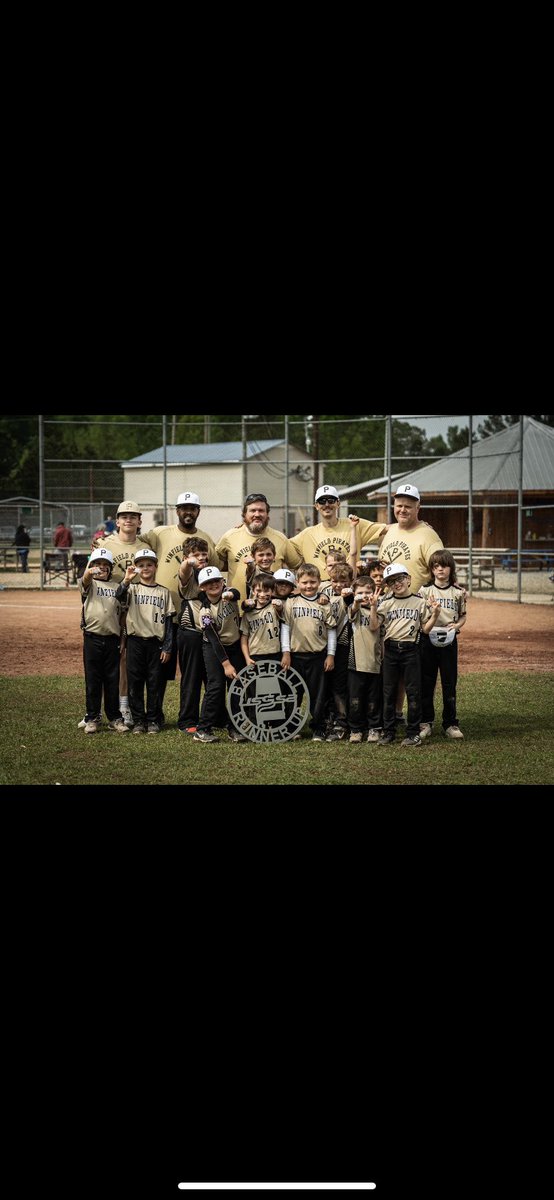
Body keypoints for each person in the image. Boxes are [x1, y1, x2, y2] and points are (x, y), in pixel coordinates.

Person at [140, 492, 220, 727]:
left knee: (200, 672)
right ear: (177, 510)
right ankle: (156, 716)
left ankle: (209, 716)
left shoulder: (205, 538)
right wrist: (102, 542)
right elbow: (133, 539)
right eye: (184, 507)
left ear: (198, 511)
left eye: (192, 508)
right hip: (166, 615)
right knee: (161, 671)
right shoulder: (160, 533)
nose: (188, 512)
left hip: (198, 622)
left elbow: (216, 565)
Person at [378, 483, 445, 727]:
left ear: (419, 507)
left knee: (416, 672)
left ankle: (422, 718)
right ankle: (394, 713)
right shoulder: (390, 531)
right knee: (391, 669)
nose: (402, 509)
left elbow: (441, 567)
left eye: (408, 505)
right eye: (399, 505)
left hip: (415, 613)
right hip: (389, 611)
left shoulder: (428, 535)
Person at [86, 500, 152, 728]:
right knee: (102, 663)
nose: (129, 520)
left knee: (123, 656)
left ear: (139, 521)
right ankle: (92, 712)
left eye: (133, 516)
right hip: (109, 606)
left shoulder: (145, 545)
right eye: (124, 516)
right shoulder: (105, 543)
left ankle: (123, 705)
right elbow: (91, 570)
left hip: (134, 605)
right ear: (117, 521)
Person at [369, 562, 440, 747]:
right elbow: (374, 626)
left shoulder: (419, 602)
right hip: (391, 650)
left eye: (400, 579)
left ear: (408, 579)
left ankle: (413, 733)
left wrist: (435, 615)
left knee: (413, 692)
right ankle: (389, 731)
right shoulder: (386, 603)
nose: (396, 583)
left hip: (411, 650)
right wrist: (374, 608)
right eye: (391, 581)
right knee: (389, 692)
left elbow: (425, 630)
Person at [114, 548, 176, 734]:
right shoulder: (131, 588)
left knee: (154, 682)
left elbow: (168, 622)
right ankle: (139, 720)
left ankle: (153, 720)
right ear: (136, 568)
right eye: (141, 565)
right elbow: (118, 594)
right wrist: (127, 578)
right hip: (135, 641)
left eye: (149, 564)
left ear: (156, 567)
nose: (145, 568)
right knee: (135, 682)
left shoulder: (164, 592)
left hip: (155, 644)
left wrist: (167, 646)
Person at [279, 562, 337, 742]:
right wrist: (286, 652)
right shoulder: (291, 602)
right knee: (292, 693)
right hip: (295, 656)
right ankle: (292, 727)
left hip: (317, 655)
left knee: (317, 695)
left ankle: (318, 727)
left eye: (312, 582)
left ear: (319, 581)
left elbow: (331, 630)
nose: (308, 586)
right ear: (297, 582)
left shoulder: (324, 603)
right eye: (304, 582)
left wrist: (330, 654)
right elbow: (286, 628)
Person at [215, 493, 302, 607]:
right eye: (252, 510)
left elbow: (299, 566)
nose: (257, 514)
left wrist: (298, 591)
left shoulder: (280, 538)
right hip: (236, 609)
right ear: (244, 514)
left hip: (271, 611)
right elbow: (217, 562)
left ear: (267, 514)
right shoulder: (229, 536)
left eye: (261, 511)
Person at [289, 484, 389, 580]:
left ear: (338, 503)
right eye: (322, 501)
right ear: (316, 505)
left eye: (331, 500)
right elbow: (284, 546)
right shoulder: (307, 534)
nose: (327, 504)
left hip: (347, 584)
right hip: (319, 588)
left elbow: (386, 529)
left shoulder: (354, 525)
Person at [79, 548, 130, 735]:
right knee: (93, 680)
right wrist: (89, 571)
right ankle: (92, 717)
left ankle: (115, 717)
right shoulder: (89, 584)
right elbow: (84, 580)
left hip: (112, 639)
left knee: (112, 680)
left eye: (105, 566)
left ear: (110, 569)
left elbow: (123, 616)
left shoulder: (117, 587)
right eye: (97, 565)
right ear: (91, 567)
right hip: (92, 638)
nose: (101, 568)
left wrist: (123, 639)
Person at [418, 549, 467, 740]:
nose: (440, 570)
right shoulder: (424, 591)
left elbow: (463, 616)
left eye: (444, 566)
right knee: (426, 681)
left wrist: (457, 626)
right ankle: (425, 722)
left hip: (448, 640)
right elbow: (420, 617)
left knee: (449, 682)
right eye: (436, 566)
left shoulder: (458, 592)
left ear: (450, 568)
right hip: (428, 639)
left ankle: (450, 723)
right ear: (431, 569)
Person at [193, 566, 246, 743]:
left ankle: (234, 727)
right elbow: (213, 639)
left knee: (236, 687)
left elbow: (236, 593)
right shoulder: (205, 612)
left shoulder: (229, 593)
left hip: (234, 645)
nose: (214, 585)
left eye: (217, 581)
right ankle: (202, 728)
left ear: (222, 581)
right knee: (215, 687)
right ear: (202, 587)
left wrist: (229, 594)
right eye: (208, 583)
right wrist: (226, 664)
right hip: (215, 649)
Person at [175, 537, 210, 735]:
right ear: (186, 557)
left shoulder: (209, 574)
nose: (201, 558)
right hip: (190, 634)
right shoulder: (188, 575)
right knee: (191, 678)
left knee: (211, 678)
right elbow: (183, 571)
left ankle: (213, 716)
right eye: (196, 554)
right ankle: (187, 719)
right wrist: (190, 562)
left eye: (203, 554)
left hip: (209, 633)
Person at [347, 575, 383, 744]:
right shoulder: (355, 608)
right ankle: (356, 729)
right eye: (360, 592)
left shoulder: (379, 609)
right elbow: (352, 612)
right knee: (355, 698)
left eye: (367, 592)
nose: (364, 596)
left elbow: (374, 626)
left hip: (374, 662)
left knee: (373, 698)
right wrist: (355, 600)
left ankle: (374, 728)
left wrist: (374, 606)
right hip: (356, 662)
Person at [240, 574, 283, 665]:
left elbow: (280, 608)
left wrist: (279, 605)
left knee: (274, 679)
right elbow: (244, 637)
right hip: (255, 654)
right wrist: (247, 658)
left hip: (275, 653)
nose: (262, 594)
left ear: (272, 591)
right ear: (253, 591)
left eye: (266, 591)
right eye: (259, 590)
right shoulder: (248, 613)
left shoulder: (274, 606)